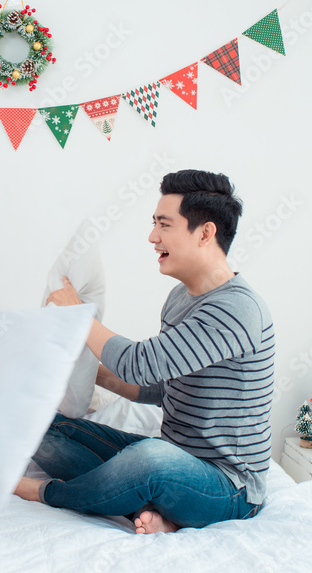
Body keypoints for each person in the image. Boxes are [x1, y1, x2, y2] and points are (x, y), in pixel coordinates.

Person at [14, 170, 274, 535]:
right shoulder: (180, 298)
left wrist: (79, 314)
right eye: (154, 224)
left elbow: (140, 365)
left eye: (164, 225)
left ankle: (47, 492)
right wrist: (94, 374)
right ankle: (154, 507)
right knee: (38, 424)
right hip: (177, 463)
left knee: (150, 460)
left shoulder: (237, 309)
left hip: (229, 487)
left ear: (205, 232)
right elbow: (163, 388)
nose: (153, 237)